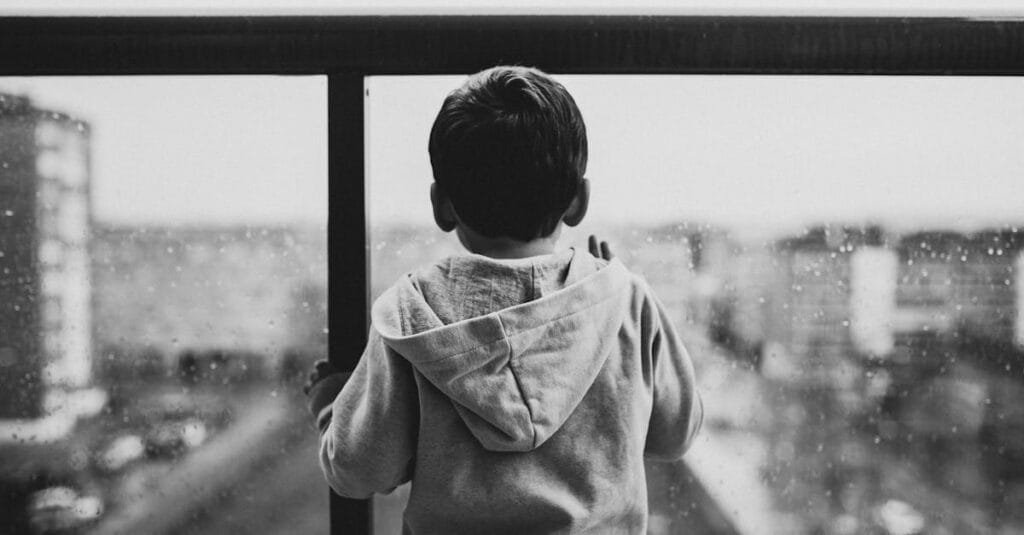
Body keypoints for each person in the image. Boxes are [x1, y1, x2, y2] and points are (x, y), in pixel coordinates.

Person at [305, 65, 702, 534]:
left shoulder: (411, 316)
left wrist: (332, 402)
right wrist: (606, 295)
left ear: (442, 205)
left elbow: (358, 471)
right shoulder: (627, 300)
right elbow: (677, 434)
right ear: (578, 202)